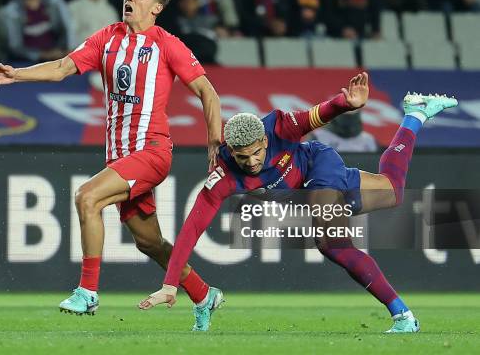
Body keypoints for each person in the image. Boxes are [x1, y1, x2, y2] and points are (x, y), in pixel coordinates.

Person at [0, 0, 223, 331]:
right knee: (150, 243)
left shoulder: (167, 45)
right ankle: (204, 294)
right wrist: (17, 74)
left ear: (156, 8)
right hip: (120, 155)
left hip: (152, 151)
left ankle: (88, 292)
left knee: (87, 197)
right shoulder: (106, 39)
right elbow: (63, 67)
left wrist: (214, 140)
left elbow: (208, 92)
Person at [139, 72, 458, 333]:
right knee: (393, 191)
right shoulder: (223, 177)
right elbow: (192, 230)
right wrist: (170, 284)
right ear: (230, 152)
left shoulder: (278, 127)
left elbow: (315, 116)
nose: (250, 162)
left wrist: (345, 103)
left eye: (256, 152)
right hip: (308, 194)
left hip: (320, 167)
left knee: (332, 243)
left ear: (264, 140)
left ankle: (403, 317)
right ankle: (415, 113)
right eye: (241, 156)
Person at [0, 0, 74, 62]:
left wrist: (67, 50)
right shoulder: (11, 10)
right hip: (25, 63)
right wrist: (43, 55)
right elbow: (15, 47)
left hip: (57, 58)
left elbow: (68, 27)